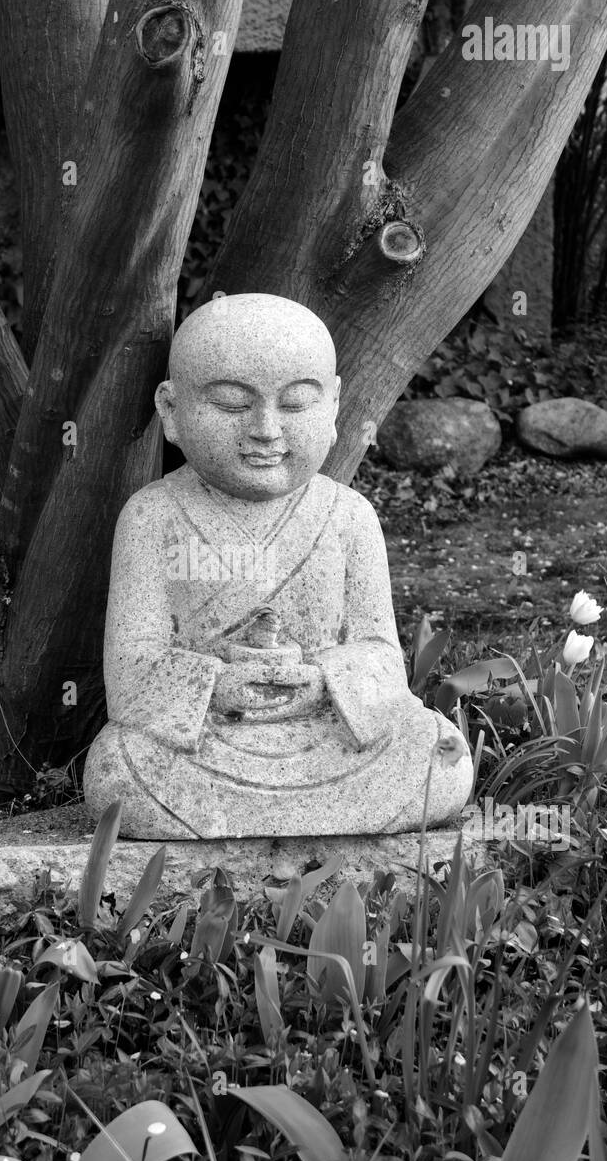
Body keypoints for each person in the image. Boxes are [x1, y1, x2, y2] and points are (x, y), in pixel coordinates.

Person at [83, 293, 471, 839]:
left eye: (294, 405)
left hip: (329, 734)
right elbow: (131, 670)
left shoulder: (348, 516)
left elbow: (381, 655)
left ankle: (269, 814)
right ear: (170, 411)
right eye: (233, 405)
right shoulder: (152, 516)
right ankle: (318, 814)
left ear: (333, 407)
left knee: (436, 752)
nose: (266, 429)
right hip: (207, 741)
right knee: (117, 768)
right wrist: (217, 683)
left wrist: (322, 682)